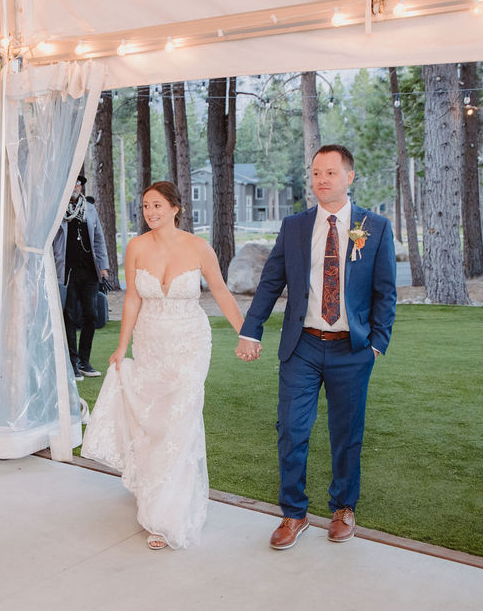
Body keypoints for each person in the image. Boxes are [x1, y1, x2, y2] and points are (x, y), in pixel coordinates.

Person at [236, 144, 396, 550]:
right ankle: (293, 514)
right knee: (291, 429)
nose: (321, 180)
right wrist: (250, 330)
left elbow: (385, 291)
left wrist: (377, 342)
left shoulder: (374, 227)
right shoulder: (294, 226)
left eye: (330, 173)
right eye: (316, 173)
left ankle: (343, 507)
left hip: (351, 350)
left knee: (347, 433)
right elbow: (271, 281)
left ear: (349, 177)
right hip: (302, 346)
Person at [81, 181, 245, 550]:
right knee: (155, 421)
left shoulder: (199, 247)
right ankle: (153, 488)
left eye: (157, 205)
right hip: (151, 343)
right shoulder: (137, 247)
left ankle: (167, 515)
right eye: (144, 206)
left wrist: (245, 334)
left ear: (175, 208)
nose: (150, 212)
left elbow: (219, 291)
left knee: (180, 422)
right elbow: (133, 301)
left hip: (190, 343)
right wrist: (122, 348)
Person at [53, 174, 110, 380]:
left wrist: (103, 267)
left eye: (78, 183)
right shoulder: (57, 209)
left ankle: (84, 361)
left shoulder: (90, 209)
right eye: (72, 183)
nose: (75, 187)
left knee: (91, 316)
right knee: (69, 316)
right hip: (66, 271)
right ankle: (72, 363)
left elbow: (99, 240)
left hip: (89, 272)